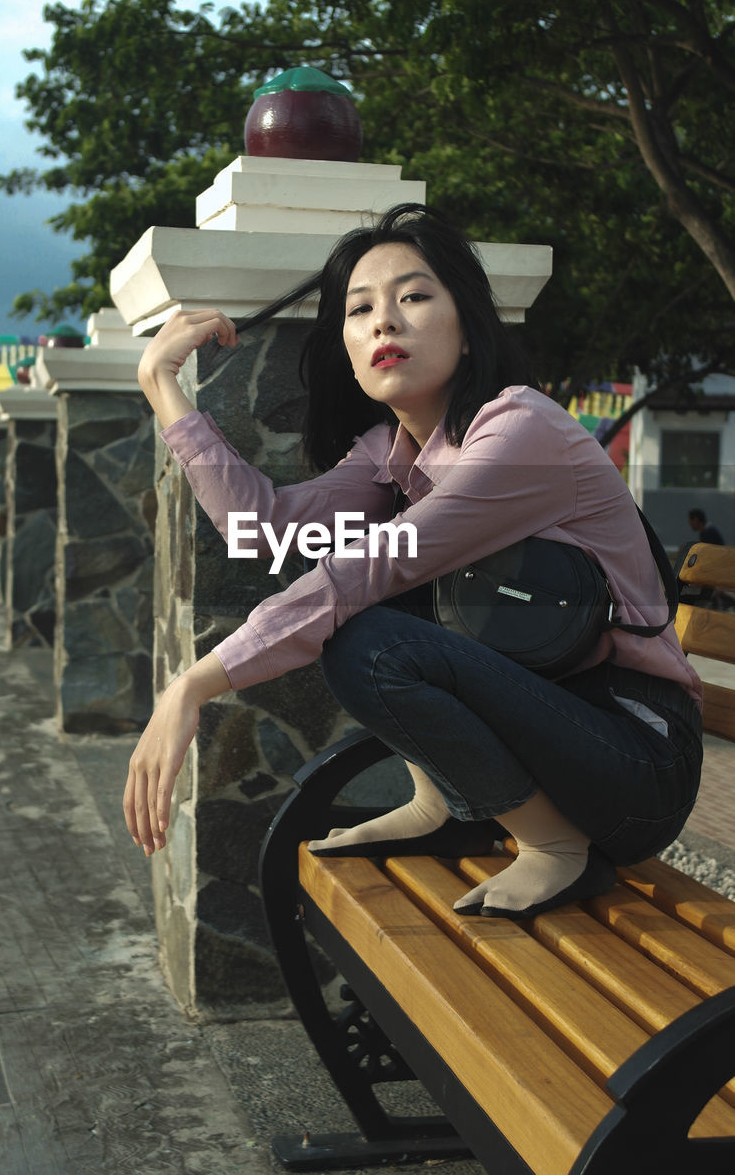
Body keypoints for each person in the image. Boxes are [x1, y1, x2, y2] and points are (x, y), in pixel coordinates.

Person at [123, 204, 702, 920]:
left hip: (635, 757)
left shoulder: (520, 431)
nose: (383, 322)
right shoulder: (388, 453)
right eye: (359, 308)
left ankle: (554, 849)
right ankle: (443, 804)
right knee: (371, 613)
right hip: (555, 736)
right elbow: (262, 531)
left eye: (415, 296)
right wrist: (163, 386)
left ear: (468, 329)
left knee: (369, 639)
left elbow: (367, 570)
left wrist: (192, 685)